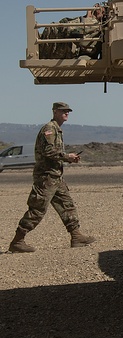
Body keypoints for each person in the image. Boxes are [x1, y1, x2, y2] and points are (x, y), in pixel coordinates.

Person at [7, 102, 96, 253]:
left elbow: (54, 153)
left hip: (55, 177)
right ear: (55, 112)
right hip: (46, 177)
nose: (66, 113)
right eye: (63, 111)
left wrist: (68, 158)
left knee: (67, 205)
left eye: (68, 111)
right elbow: (49, 151)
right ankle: (17, 241)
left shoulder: (57, 130)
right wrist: (67, 156)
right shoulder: (49, 129)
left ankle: (76, 236)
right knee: (37, 209)